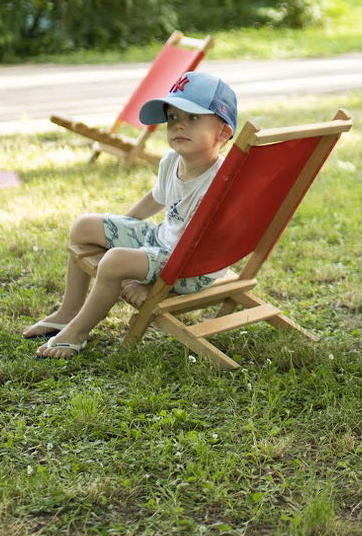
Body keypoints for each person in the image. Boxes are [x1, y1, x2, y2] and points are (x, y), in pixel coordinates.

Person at [26, 71, 240, 360]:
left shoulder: (219, 183)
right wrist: (120, 229)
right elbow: (156, 198)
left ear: (223, 133)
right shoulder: (171, 161)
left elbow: (199, 245)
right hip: (164, 242)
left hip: (192, 265)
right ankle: (68, 311)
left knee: (115, 261)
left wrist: (151, 285)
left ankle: (78, 331)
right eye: (173, 117)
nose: (178, 125)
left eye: (192, 118)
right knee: (85, 226)